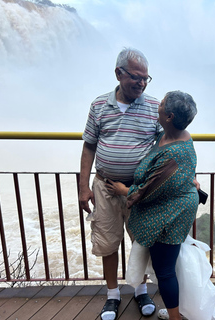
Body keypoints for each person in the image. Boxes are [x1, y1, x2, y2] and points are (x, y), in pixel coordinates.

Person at [79, 47, 159, 320]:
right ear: (118, 73)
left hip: (139, 191)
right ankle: (113, 296)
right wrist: (83, 186)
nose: (141, 83)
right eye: (136, 77)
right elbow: (89, 146)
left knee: (142, 243)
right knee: (108, 243)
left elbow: (169, 145)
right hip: (104, 187)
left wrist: (187, 174)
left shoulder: (154, 108)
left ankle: (140, 290)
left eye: (146, 78)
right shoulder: (99, 106)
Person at [106, 91, 199, 320]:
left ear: (169, 116)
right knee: (167, 267)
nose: (158, 104)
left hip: (170, 214)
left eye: (162, 103)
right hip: (171, 205)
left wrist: (122, 190)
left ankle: (175, 317)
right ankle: (177, 310)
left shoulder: (174, 152)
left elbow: (148, 191)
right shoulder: (172, 134)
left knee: (165, 271)